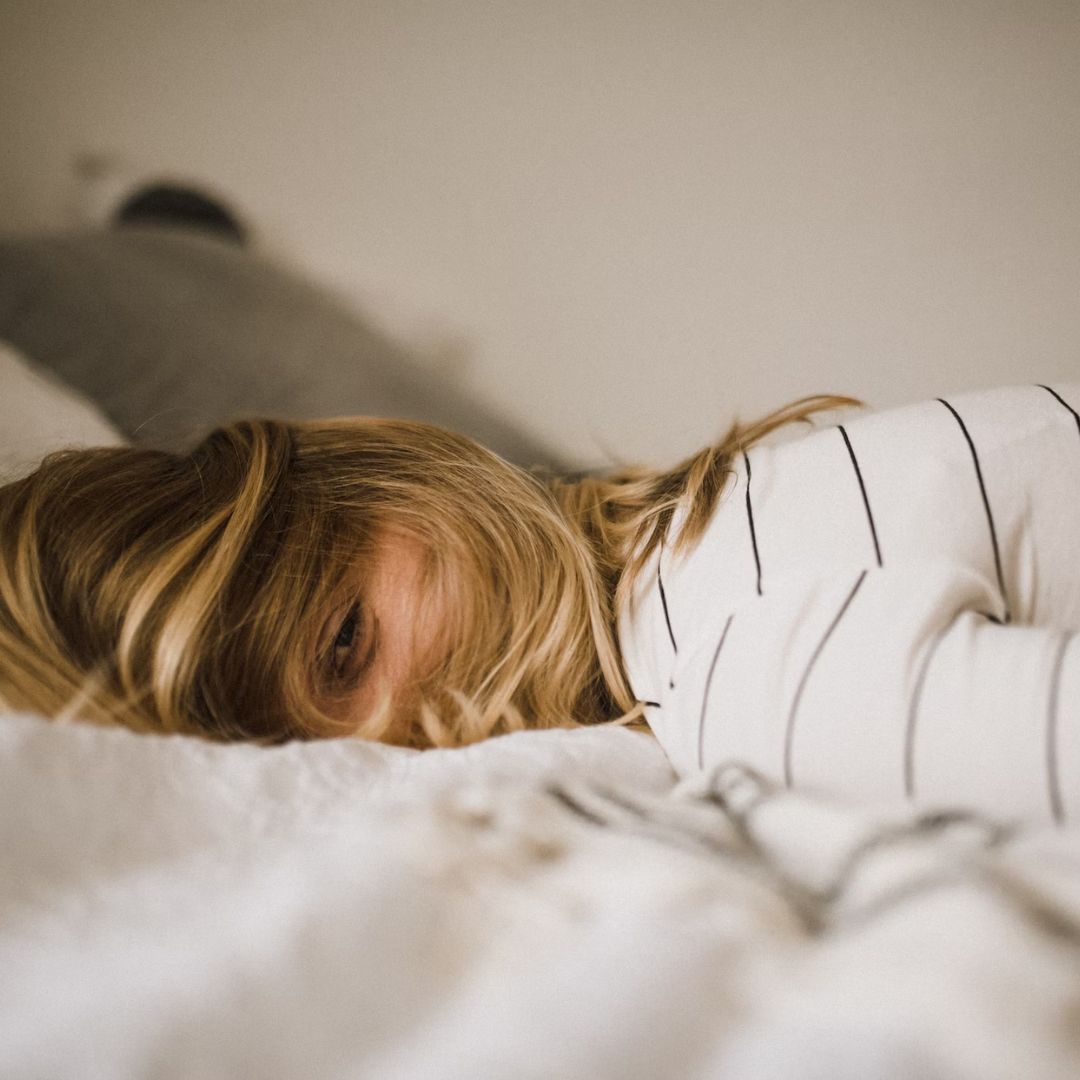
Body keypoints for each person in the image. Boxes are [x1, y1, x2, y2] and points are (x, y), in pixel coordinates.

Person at [1, 385, 1077, 823]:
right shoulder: (711, 522)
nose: (393, 743)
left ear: (392, 473)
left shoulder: (740, 670)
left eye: (342, 643)